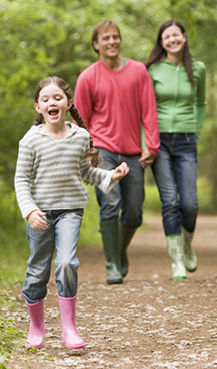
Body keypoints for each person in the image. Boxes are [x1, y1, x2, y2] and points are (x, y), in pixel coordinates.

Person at [15, 76, 130, 350]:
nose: (51, 102)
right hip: (40, 214)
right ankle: (36, 327)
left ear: (67, 103)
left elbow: (84, 171)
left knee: (66, 263)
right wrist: (29, 211)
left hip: (70, 210)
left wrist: (110, 176)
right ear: (38, 107)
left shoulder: (80, 136)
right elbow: (21, 179)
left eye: (57, 98)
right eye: (45, 99)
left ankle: (69, 328)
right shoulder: (30, 141)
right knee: (37, 272)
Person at [74, 20, 160, 285]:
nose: (112, 41)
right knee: (111, 204)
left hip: (133, 152)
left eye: (116, 37)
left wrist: (152, 146)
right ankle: (112, 264)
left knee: (134, 211)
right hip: (103, 152)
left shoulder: (138, 71)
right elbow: (80, 120)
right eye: (106, 38)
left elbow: (149, 110)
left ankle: (119, 252)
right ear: (96, 44)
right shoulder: (88, 76)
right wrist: (87, 155)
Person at [144, 20, 207, 280]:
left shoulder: (199, 68)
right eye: (166, 36)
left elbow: (201, 103)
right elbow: (144, 108)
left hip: (186, 141)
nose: (172, 39)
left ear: (183, 37)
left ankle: (187, 244)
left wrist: (196, 130)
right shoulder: (153, 70)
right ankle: (176, 261)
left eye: (175, 34)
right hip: (159, 142)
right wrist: (146, 142)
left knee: (189, 204)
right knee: (170, 201)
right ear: (161, 42)